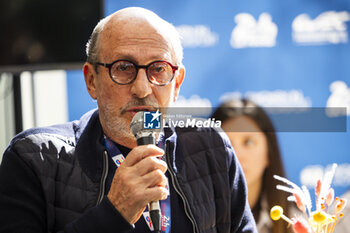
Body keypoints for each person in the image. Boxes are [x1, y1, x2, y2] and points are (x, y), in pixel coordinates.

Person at [0, 7, 257, 233]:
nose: (142, 89)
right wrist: (113, 213)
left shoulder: (211, 148)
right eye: (123, 68)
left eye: (158, 69)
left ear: (176, 83)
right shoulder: (35, 158)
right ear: (92, 80)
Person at [211, 99, 293, 233]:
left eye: (248, 142)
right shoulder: (187, 219)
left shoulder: (295, 223)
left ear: (268, 154)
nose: (236, 154)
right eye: (224, 143)